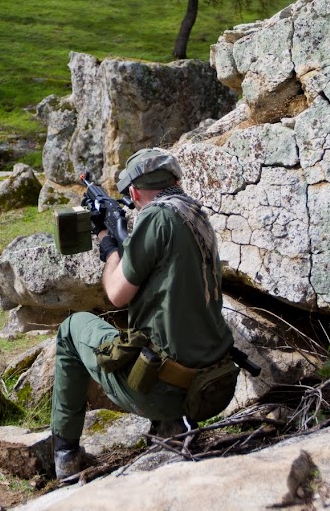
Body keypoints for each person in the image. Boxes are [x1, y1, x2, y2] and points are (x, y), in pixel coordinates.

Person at [50, 147, 237, 480]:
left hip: (166, 392)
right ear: (175, 181)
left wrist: (109, 248)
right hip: (214, 386)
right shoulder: (195, 214)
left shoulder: (155, 217)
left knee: (70, 329)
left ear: (134, 193)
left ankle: (65, 456)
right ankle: (169, 431)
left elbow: (116, 295)